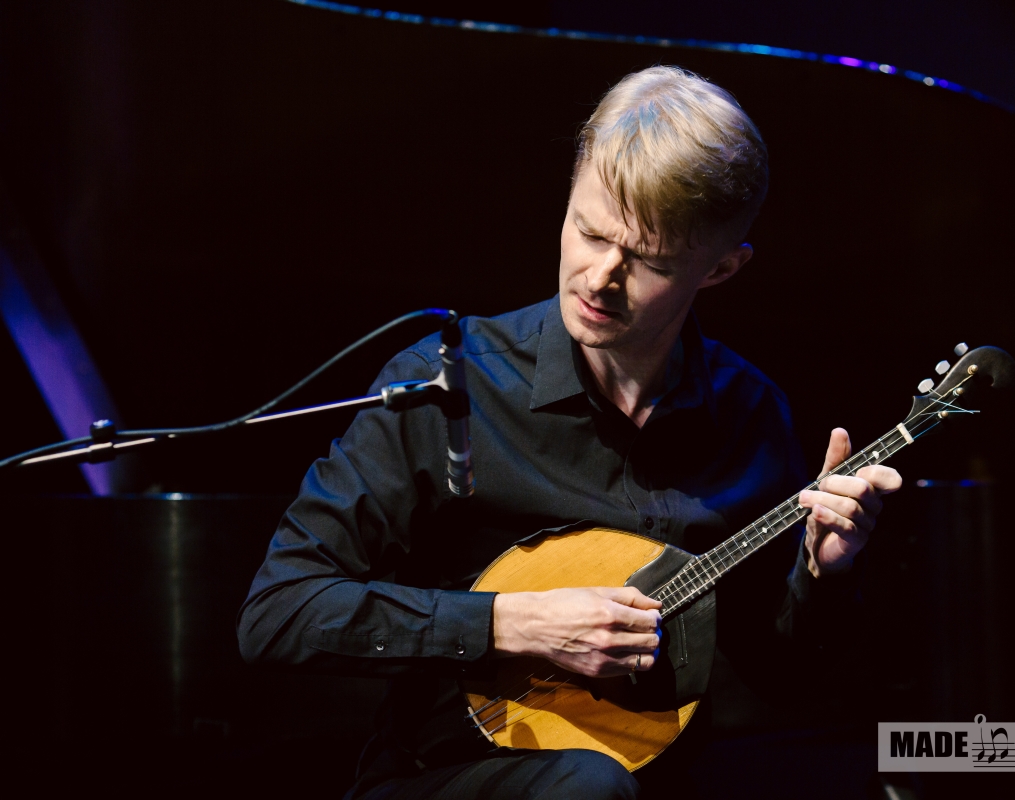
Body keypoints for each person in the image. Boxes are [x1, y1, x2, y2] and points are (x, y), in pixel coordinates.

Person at [237, 65, 901, 799]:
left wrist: (822, 573)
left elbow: (782, 675)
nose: (599, 278)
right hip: (444, 775)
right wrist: (510, 623)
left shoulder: (748, 415)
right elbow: (279, 612)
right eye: (588, 232)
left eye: (647, 261)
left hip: (654, 777)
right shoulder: (451, 384)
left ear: (720, 270)